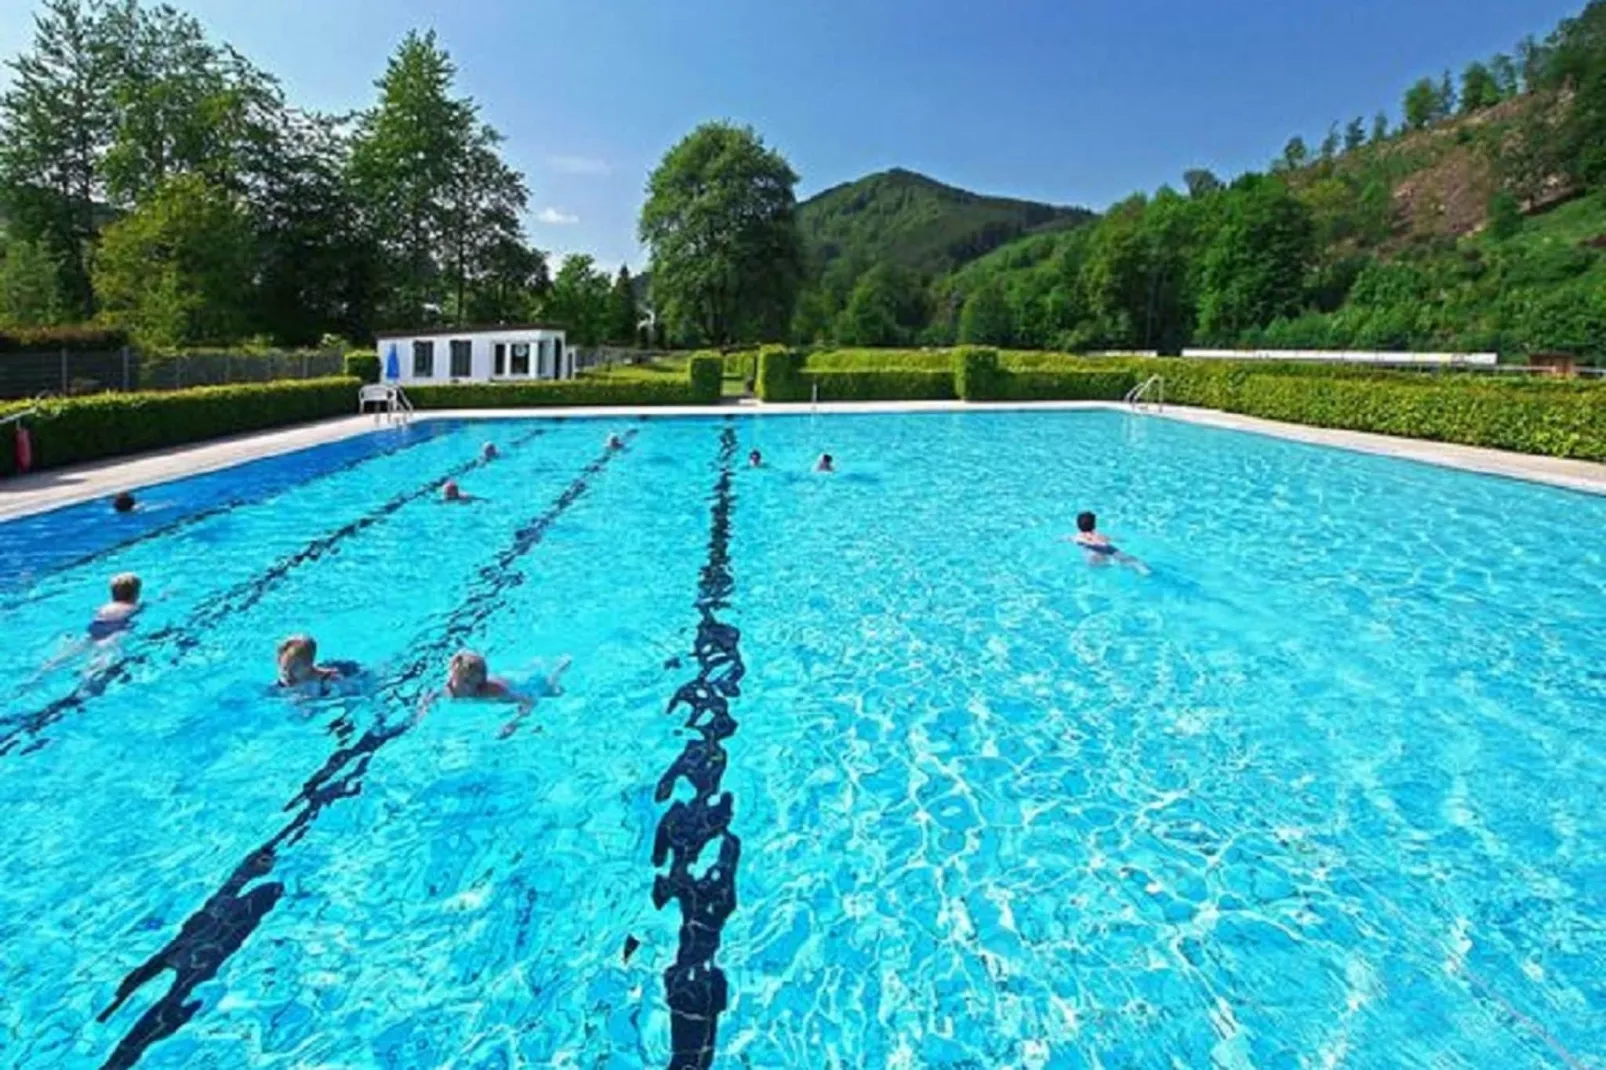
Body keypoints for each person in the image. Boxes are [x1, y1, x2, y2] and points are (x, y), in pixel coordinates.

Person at [420, 650, 571, 738]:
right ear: (453, 676)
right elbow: (428, 698)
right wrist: (423, 711)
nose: (471, 689)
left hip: (520, 684)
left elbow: (529, 701)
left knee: (554, 691)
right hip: (507, 678)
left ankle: (557, 669)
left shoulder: (491, 691)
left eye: (477, 684)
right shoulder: (446, 688)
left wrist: (513, 724)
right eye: (466, 682)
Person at [1067, 511, 1148, 574]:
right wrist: (1123, 540)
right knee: (1130, 560)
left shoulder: (1077, 537)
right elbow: (1112, 539)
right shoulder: (1099, 536)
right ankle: (1143, 570)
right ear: (1094, 525)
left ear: (1077, 525)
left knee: (1094, 566)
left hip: (1093, 551)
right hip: (1108, 549)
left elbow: (1069, 538)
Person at [88, 573, 142, 641]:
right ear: (135, 594)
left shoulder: (106, 606)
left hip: (96, 625)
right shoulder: (132, 607)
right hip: (115, 626)